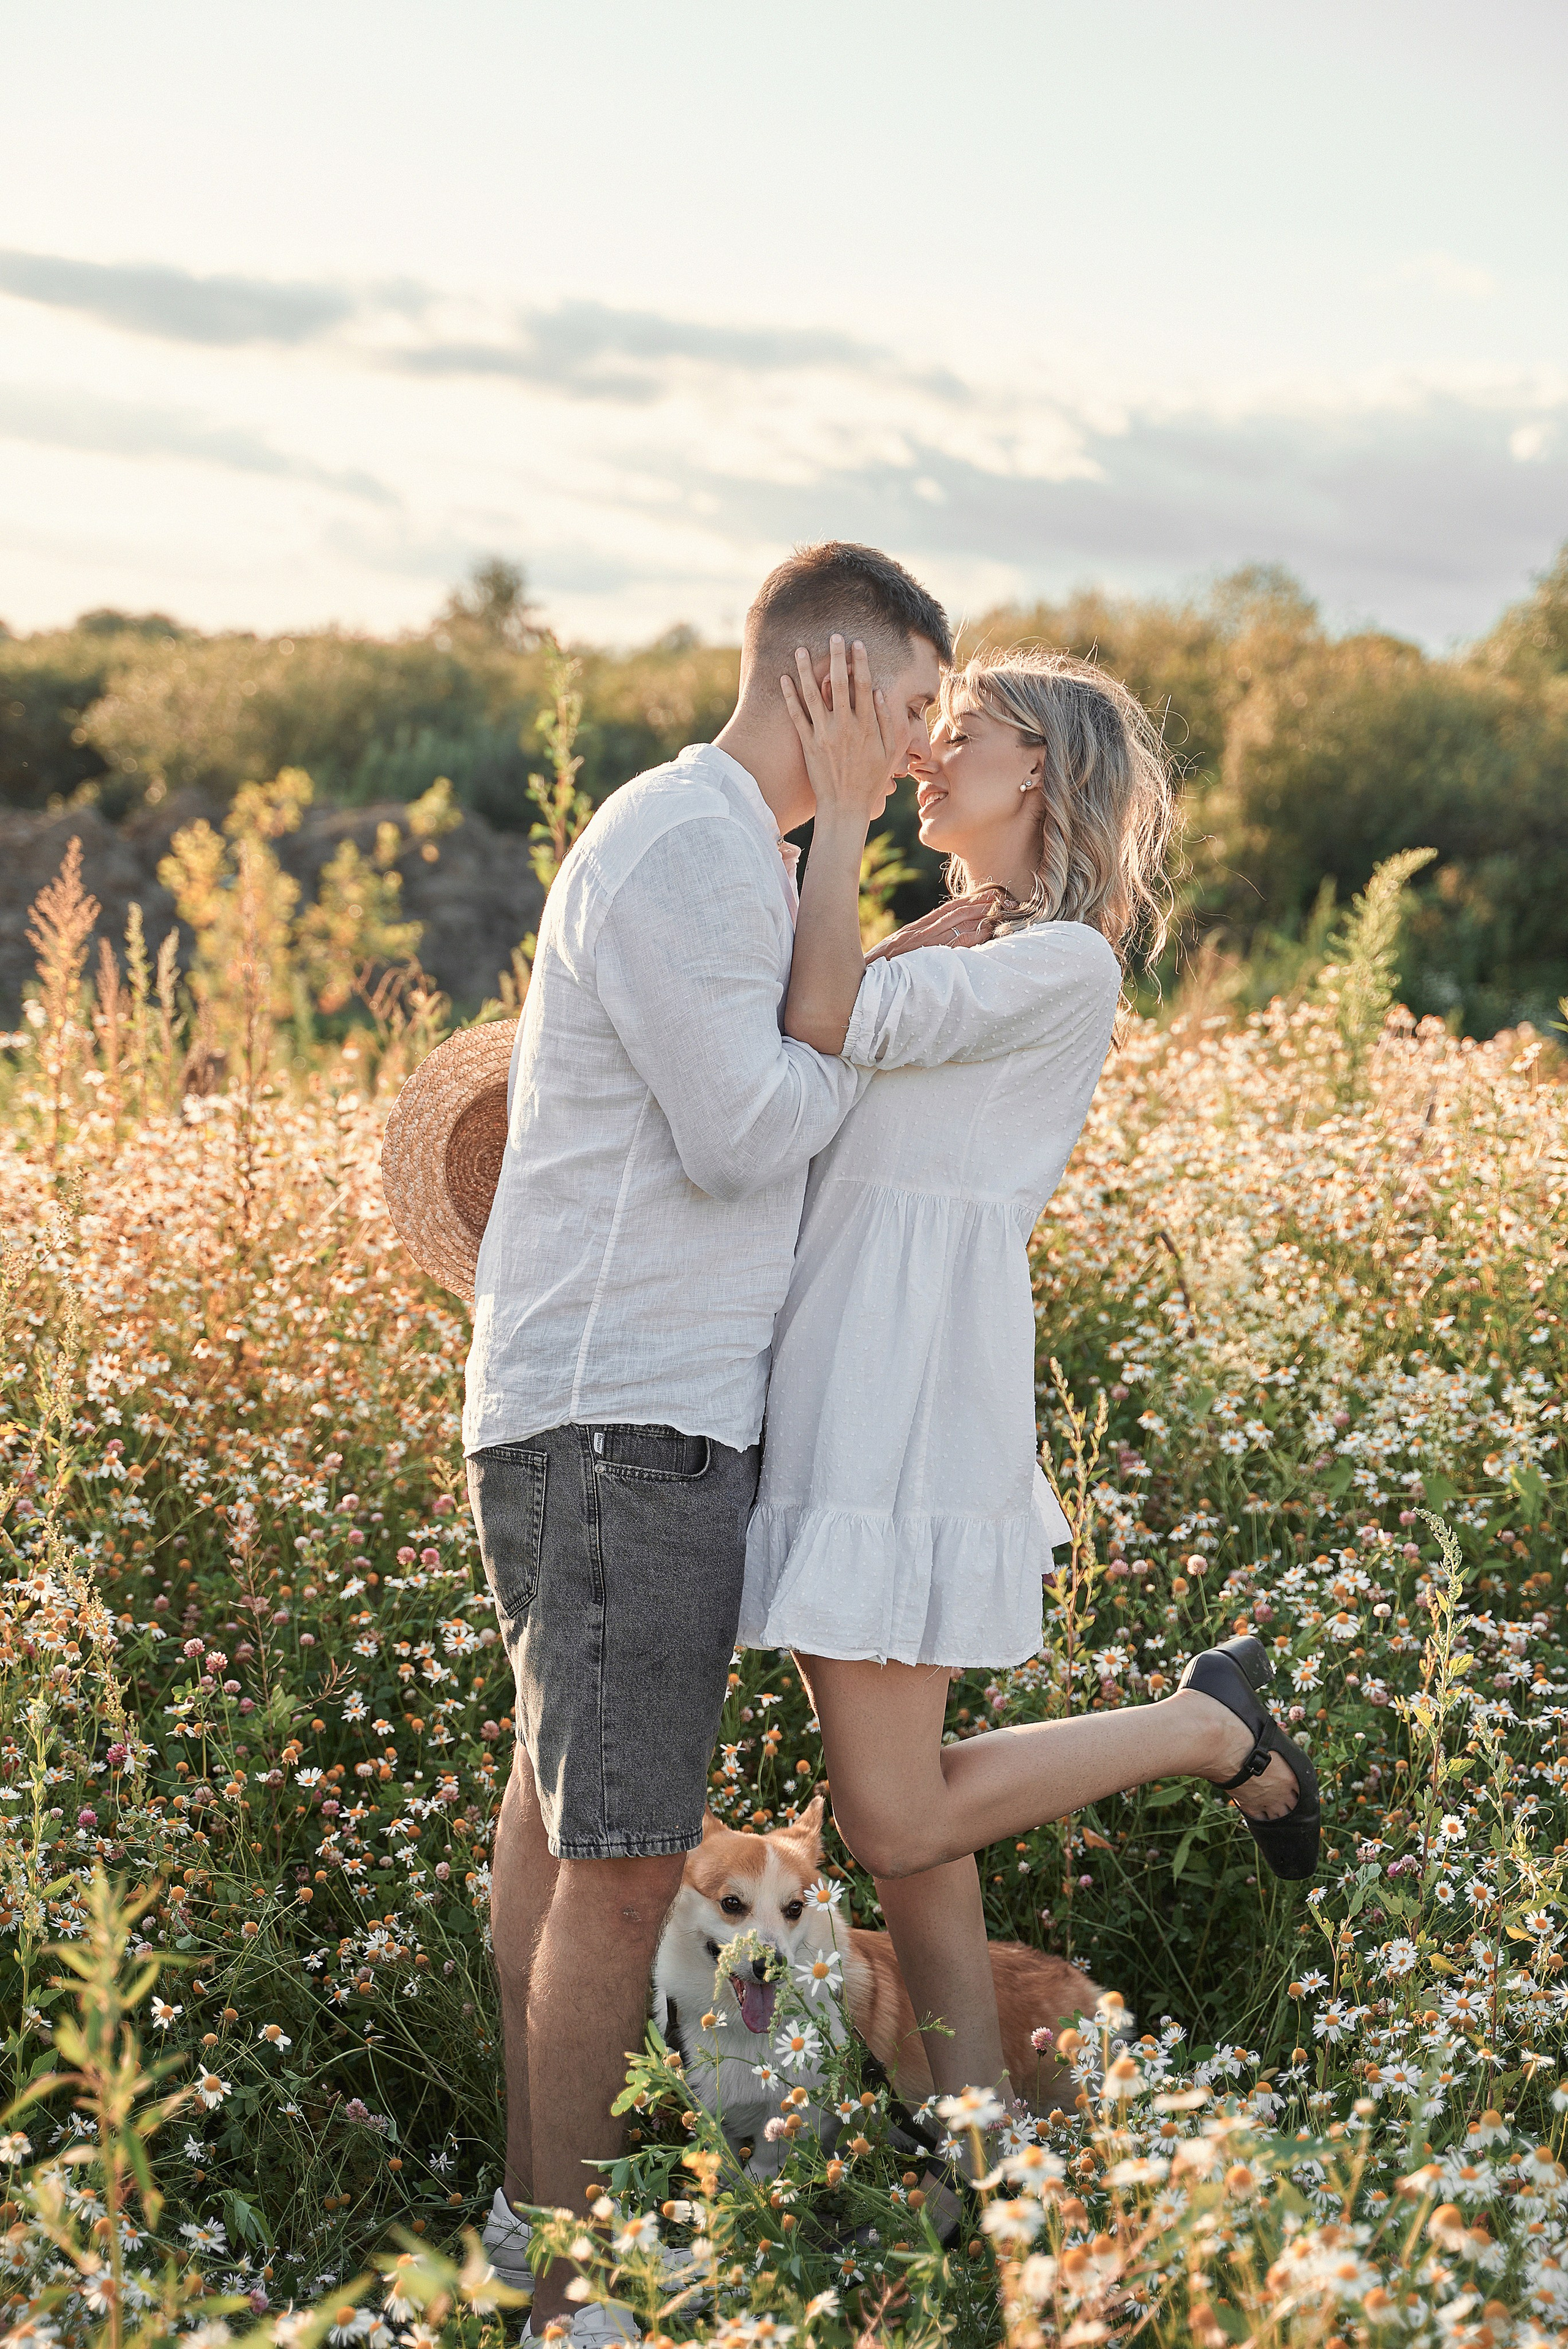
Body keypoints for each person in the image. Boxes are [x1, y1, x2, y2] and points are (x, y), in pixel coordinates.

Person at [464, 545, 970, 2343]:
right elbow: (756, 1129)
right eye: (911, 705)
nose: (922, 750)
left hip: (628, 1410)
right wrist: (843, 857)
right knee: (619, 1858)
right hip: (623, 1415)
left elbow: (775, 1047)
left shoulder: (729, 861)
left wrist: (880, 929)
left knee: (557, 1815)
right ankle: (570, 2277)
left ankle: (535, 2231)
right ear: (831, 682)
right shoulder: (690, 842)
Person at [738, 636, 1322, 2117]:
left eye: (962, 730)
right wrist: (886, 931)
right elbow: (811, 1057)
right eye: (924, 731)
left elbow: (821, 1025)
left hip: (908, 1373)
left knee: (889, 1809)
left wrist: (847, 818)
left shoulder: (1061, 960)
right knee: (913, 1814)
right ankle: (973, 2139)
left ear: (1041, 771)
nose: (925, 748)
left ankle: (1207, 1729)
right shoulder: (972, 944)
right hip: (832, 1357)